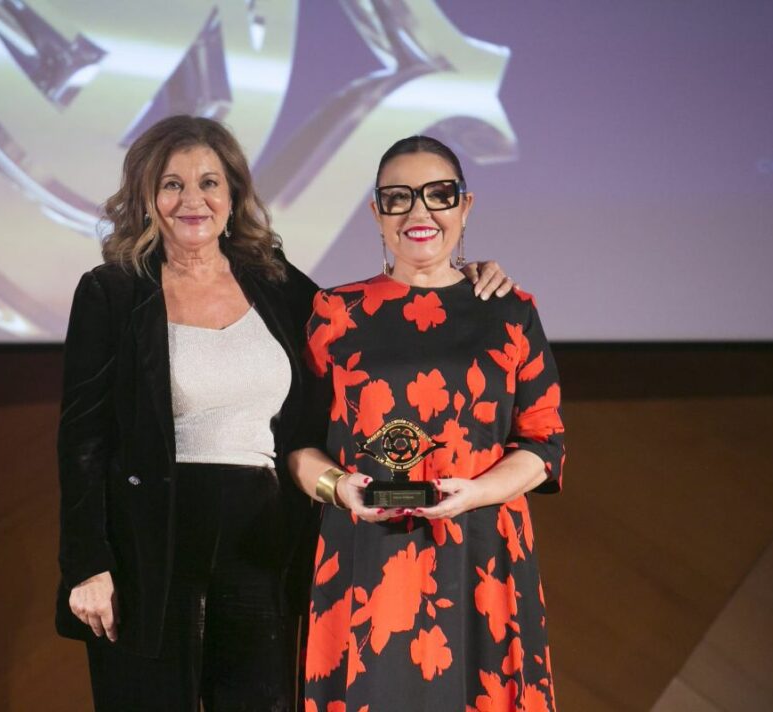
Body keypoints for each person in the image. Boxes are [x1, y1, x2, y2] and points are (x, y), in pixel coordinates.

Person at [55, 116, 515, 711]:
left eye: (209, 183)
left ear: (233, 195)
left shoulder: (276, 284)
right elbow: (83, 440)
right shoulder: (111, 293)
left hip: (262, 545)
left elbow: (370, 316)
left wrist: (463, 280)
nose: (193, 200)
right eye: (172, 184)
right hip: (148, 547)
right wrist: (88, 564)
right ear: (146, 197)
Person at [289, 136, 565, 710]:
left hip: (481, 554)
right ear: (377, 212)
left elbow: (545, 445)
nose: (419, 211)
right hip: (365, 553)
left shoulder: (510, 311)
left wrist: (476, 493)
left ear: (465, 206)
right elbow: (297, 444)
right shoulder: (334, 313)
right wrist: (340, 488)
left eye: (438, 194)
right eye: (398, 197)